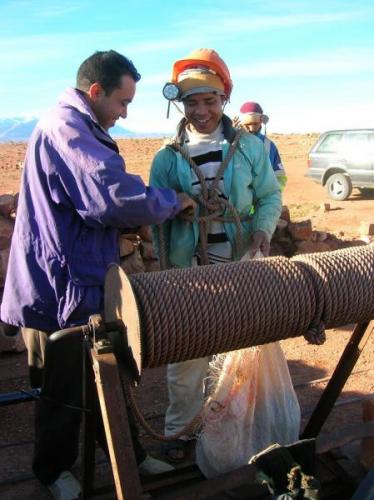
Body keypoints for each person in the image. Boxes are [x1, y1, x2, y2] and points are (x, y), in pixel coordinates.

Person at [0, 50, 196, 499]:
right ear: (95, 92)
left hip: (80, 279)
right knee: (63, 388)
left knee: (109, 375)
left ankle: (127, 454)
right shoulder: (68, 128)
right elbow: (110, 198)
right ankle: (53, 472)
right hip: (57, 288)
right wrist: (170, 202)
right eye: (122, 102)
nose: (125, 112)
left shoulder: (78, 125)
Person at [149, 48, 282, 463]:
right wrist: (168, 268)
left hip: (238, 268)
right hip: (190, 274)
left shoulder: (249, 149)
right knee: (186, 360)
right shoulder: (167, 158)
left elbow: (268, 196)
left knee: (239, 356)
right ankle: (180, 441)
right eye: (191, 102)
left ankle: (237, 435)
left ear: (224, 99)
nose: (201, 110)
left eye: (209, 101)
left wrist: (262, 229)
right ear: (179, 104)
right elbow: (157, 220)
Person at [234, 101, 287, 190]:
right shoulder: (231, 143)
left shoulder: (269, 145)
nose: (251, 128)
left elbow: (280, 177)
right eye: (248, 124)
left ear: (262, 121)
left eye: (255, 124)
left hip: (264, 201)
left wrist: (272, 197)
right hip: (239, 202)